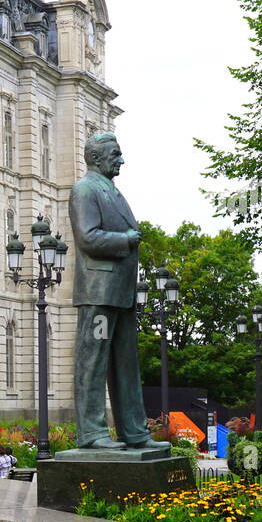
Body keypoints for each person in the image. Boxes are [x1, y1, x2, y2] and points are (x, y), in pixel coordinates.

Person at [67, 133, 171, 451]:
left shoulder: (112, 191)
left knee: (126, 363)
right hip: (99, 291)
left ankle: (134, 431)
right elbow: (87, 238)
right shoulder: (84, 189)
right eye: (115, 154)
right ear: (96, 158)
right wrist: (126, 239)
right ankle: (92, 433)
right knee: (93, 361)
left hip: (121, 292)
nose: (121, 160)